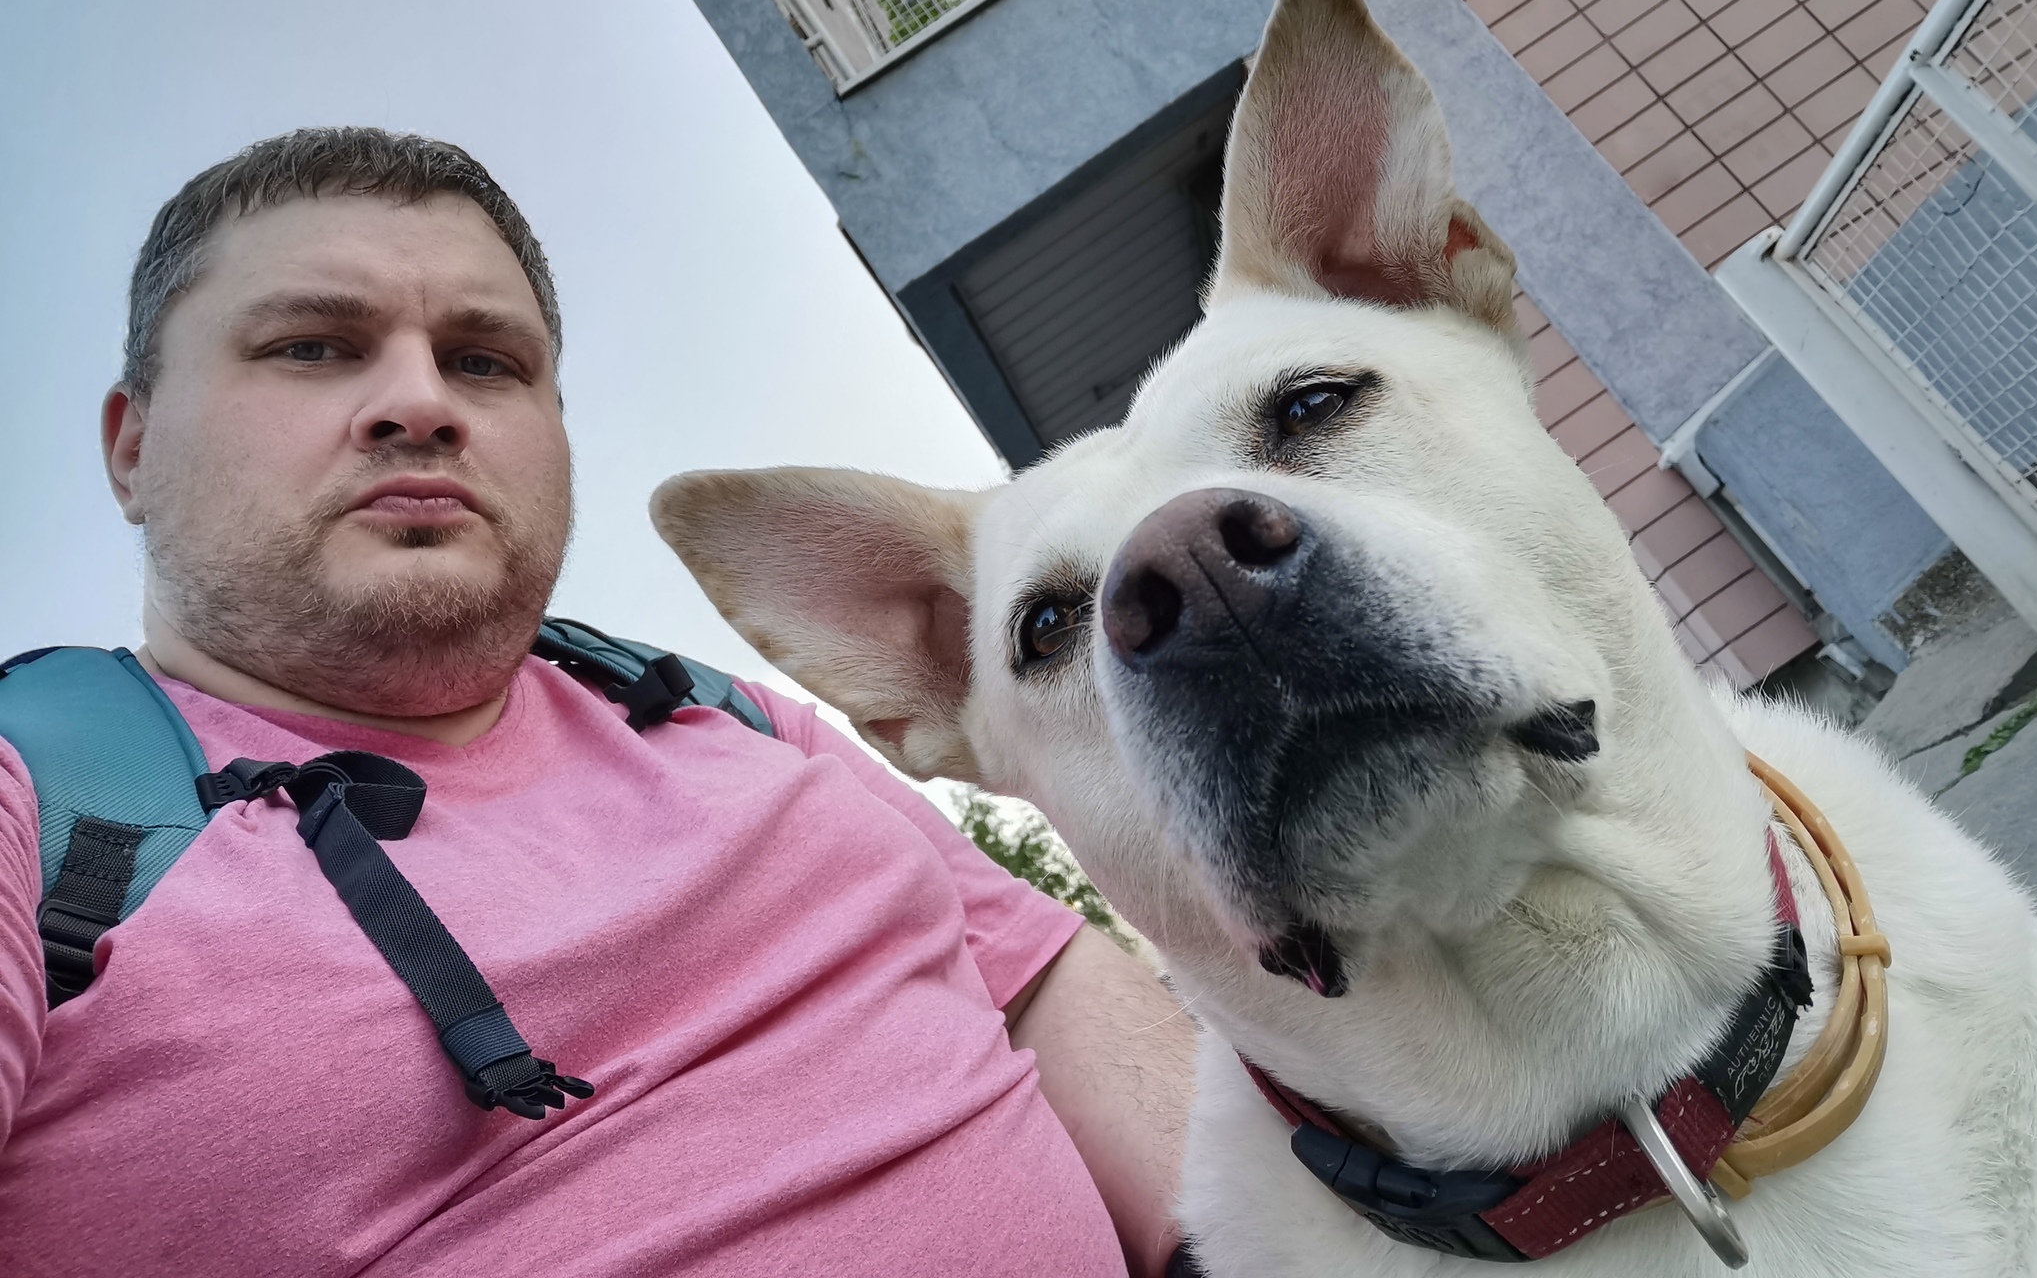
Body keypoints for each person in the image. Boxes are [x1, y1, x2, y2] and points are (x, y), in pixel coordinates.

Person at [0, 128, 1196, 1277]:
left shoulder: (724, 718)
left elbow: (1033, 974)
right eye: (312, 346)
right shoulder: (37, 801)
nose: (420, 403)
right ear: (132, 446)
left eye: (485, 362)